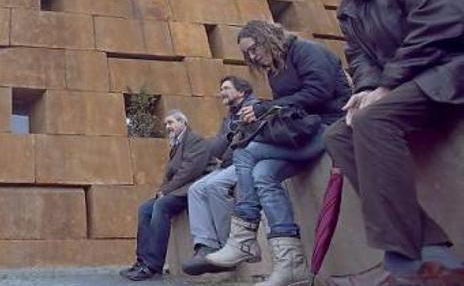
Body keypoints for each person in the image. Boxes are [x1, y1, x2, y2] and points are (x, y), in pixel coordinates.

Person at [315, 0, 464, 283]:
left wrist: (387, 84)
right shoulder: (348, 8)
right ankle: (432, 249)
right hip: (412, 82)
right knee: (338, 135)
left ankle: (404, 258)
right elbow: (360, 58)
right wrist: (365, 89)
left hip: (450, 68)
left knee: (374, 120)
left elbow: (443, 21)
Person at [205, 21, 351, 286]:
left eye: (254, 48)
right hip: (305, 130)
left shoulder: (306, 51)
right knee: (263, 173)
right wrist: (268, 111)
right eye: (246, 53)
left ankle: (244, 235)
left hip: (330, 124)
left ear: (267, 37)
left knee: (245, 153)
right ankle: (291, 264)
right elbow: (289, 108)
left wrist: (267, 108)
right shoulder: (276, 70)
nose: (252, 56)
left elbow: (319, 91)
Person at [182, 76, 259, 276]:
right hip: (227, 164)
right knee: (196, 189)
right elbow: (215, 150)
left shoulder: (255, 107)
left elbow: (252, 141)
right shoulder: (230, 117)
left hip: (246, 160)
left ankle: (228, 247)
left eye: (226, 88)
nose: (221, 92)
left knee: (214, 186)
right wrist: (228, 134)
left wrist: (235, 134)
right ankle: (205, 246)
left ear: (241, 92)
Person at [121, 110, 210, 281]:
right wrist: (161, 191)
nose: (168, 127)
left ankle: (153, 266)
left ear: (183, 122)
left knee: (161, 206)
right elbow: (170, 175)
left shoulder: (194, 139)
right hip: (179, 188)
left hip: (194, 188)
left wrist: (166, 191)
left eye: (171, 123)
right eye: (166, 124)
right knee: (145, 209)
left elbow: (189, 171)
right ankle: (142, 262)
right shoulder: (176, 144)